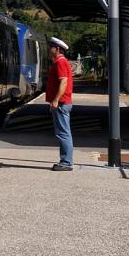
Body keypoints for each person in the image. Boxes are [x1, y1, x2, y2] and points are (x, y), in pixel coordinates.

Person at [45, 37, 74, 171]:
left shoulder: (60, 62)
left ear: (57, 49)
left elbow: (63, 82)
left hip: (61, 103)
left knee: (63, 133)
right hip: (61, 102)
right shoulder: (59, 62)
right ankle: (66, 161)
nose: (49, 49)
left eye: (51, 47)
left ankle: (66, 162)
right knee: (63, 132)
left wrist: (56, 100)